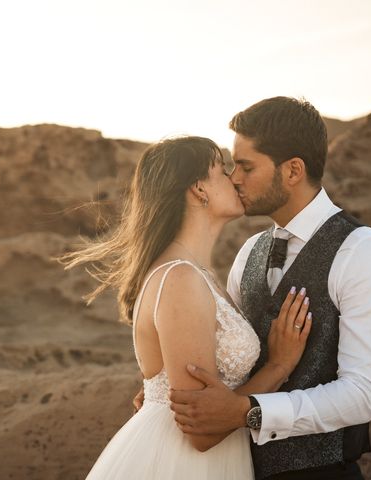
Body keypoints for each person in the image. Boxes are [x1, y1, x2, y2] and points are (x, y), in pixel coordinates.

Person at [168, 97, 371, 479]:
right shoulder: (249, 252)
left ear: (293, 170)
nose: (234, 178)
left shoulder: (363, 252)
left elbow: (362, 395)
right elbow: (220, 356)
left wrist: (250, 411)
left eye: (246, 166)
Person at [61, 136, 314, 479]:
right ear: (199, 188)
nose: (235, 179)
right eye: (223, 171)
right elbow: (201, 430)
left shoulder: (198, 275)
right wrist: (279, 365)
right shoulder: (180, 278)